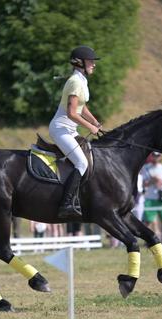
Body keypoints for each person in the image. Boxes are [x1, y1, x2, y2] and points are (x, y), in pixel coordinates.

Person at [49, 46, 102, 218]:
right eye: (91, 61)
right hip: (60, 129)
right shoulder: (75, 82)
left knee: (88, 156)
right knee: (82, 163)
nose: (93, 64)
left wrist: (94, 121)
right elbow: (72, 112)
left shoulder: (82, 81)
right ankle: (66, 204)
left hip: (69, 129)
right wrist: (90, 127)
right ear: (80, 63)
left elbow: (81, 106)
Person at [142, 152, 162, 242]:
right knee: (148, 220)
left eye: (158, 156)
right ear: (151, 156)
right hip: (150, 197)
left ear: (160, 157)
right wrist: (153, 180)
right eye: (154, 155)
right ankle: (146, 240)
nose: (156, 157)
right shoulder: (146, 168)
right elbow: (144, 183)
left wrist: (161, 181)